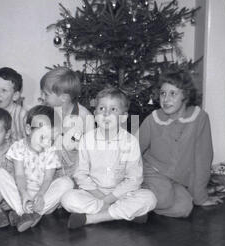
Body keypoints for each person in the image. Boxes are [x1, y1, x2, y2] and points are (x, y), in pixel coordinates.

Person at [61, 87, 157, 229]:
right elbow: (80, 174)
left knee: (150, 198)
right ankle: (124, 213)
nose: (106, 114)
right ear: (94, 114)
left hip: (122, 193)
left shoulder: (130, 141)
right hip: (93, 193)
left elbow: (134, 179)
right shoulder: (86, 140)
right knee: (67, 199)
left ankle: (92, 219)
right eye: (101, 108)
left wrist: (111, 199)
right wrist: (101, 197)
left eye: (113, 110)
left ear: (124, 117)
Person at [139, 69, 222, 218]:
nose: (166, 99)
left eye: (173, 93)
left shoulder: (199, 118)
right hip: (151, 171)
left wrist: (200, 197)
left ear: (185, 95)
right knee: (164, 198)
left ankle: (141, 205)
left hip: (176, 179)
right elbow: (134, 150)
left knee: (184, 208)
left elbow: (203, 158)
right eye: (163, 93)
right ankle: (133, 198)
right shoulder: (153, 119)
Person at [0, 105, 74, 232]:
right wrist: (24, 194)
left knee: (67, 183)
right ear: (28, 130)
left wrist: (40, 195)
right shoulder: (18, 147)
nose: (46, 142)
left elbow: (48, 179)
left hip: (43, 196)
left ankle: (27, 214)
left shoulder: (50, 150)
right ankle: (27, 213)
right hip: (20, 193)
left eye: (50, 139)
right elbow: (19, 175)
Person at [39, 67, 95, 177]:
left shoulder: (85, 117)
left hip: (74, 170)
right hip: (50, 167)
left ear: (64, 98)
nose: (42, 97)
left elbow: (89, 152)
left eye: (46, 94)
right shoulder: (48, 112)